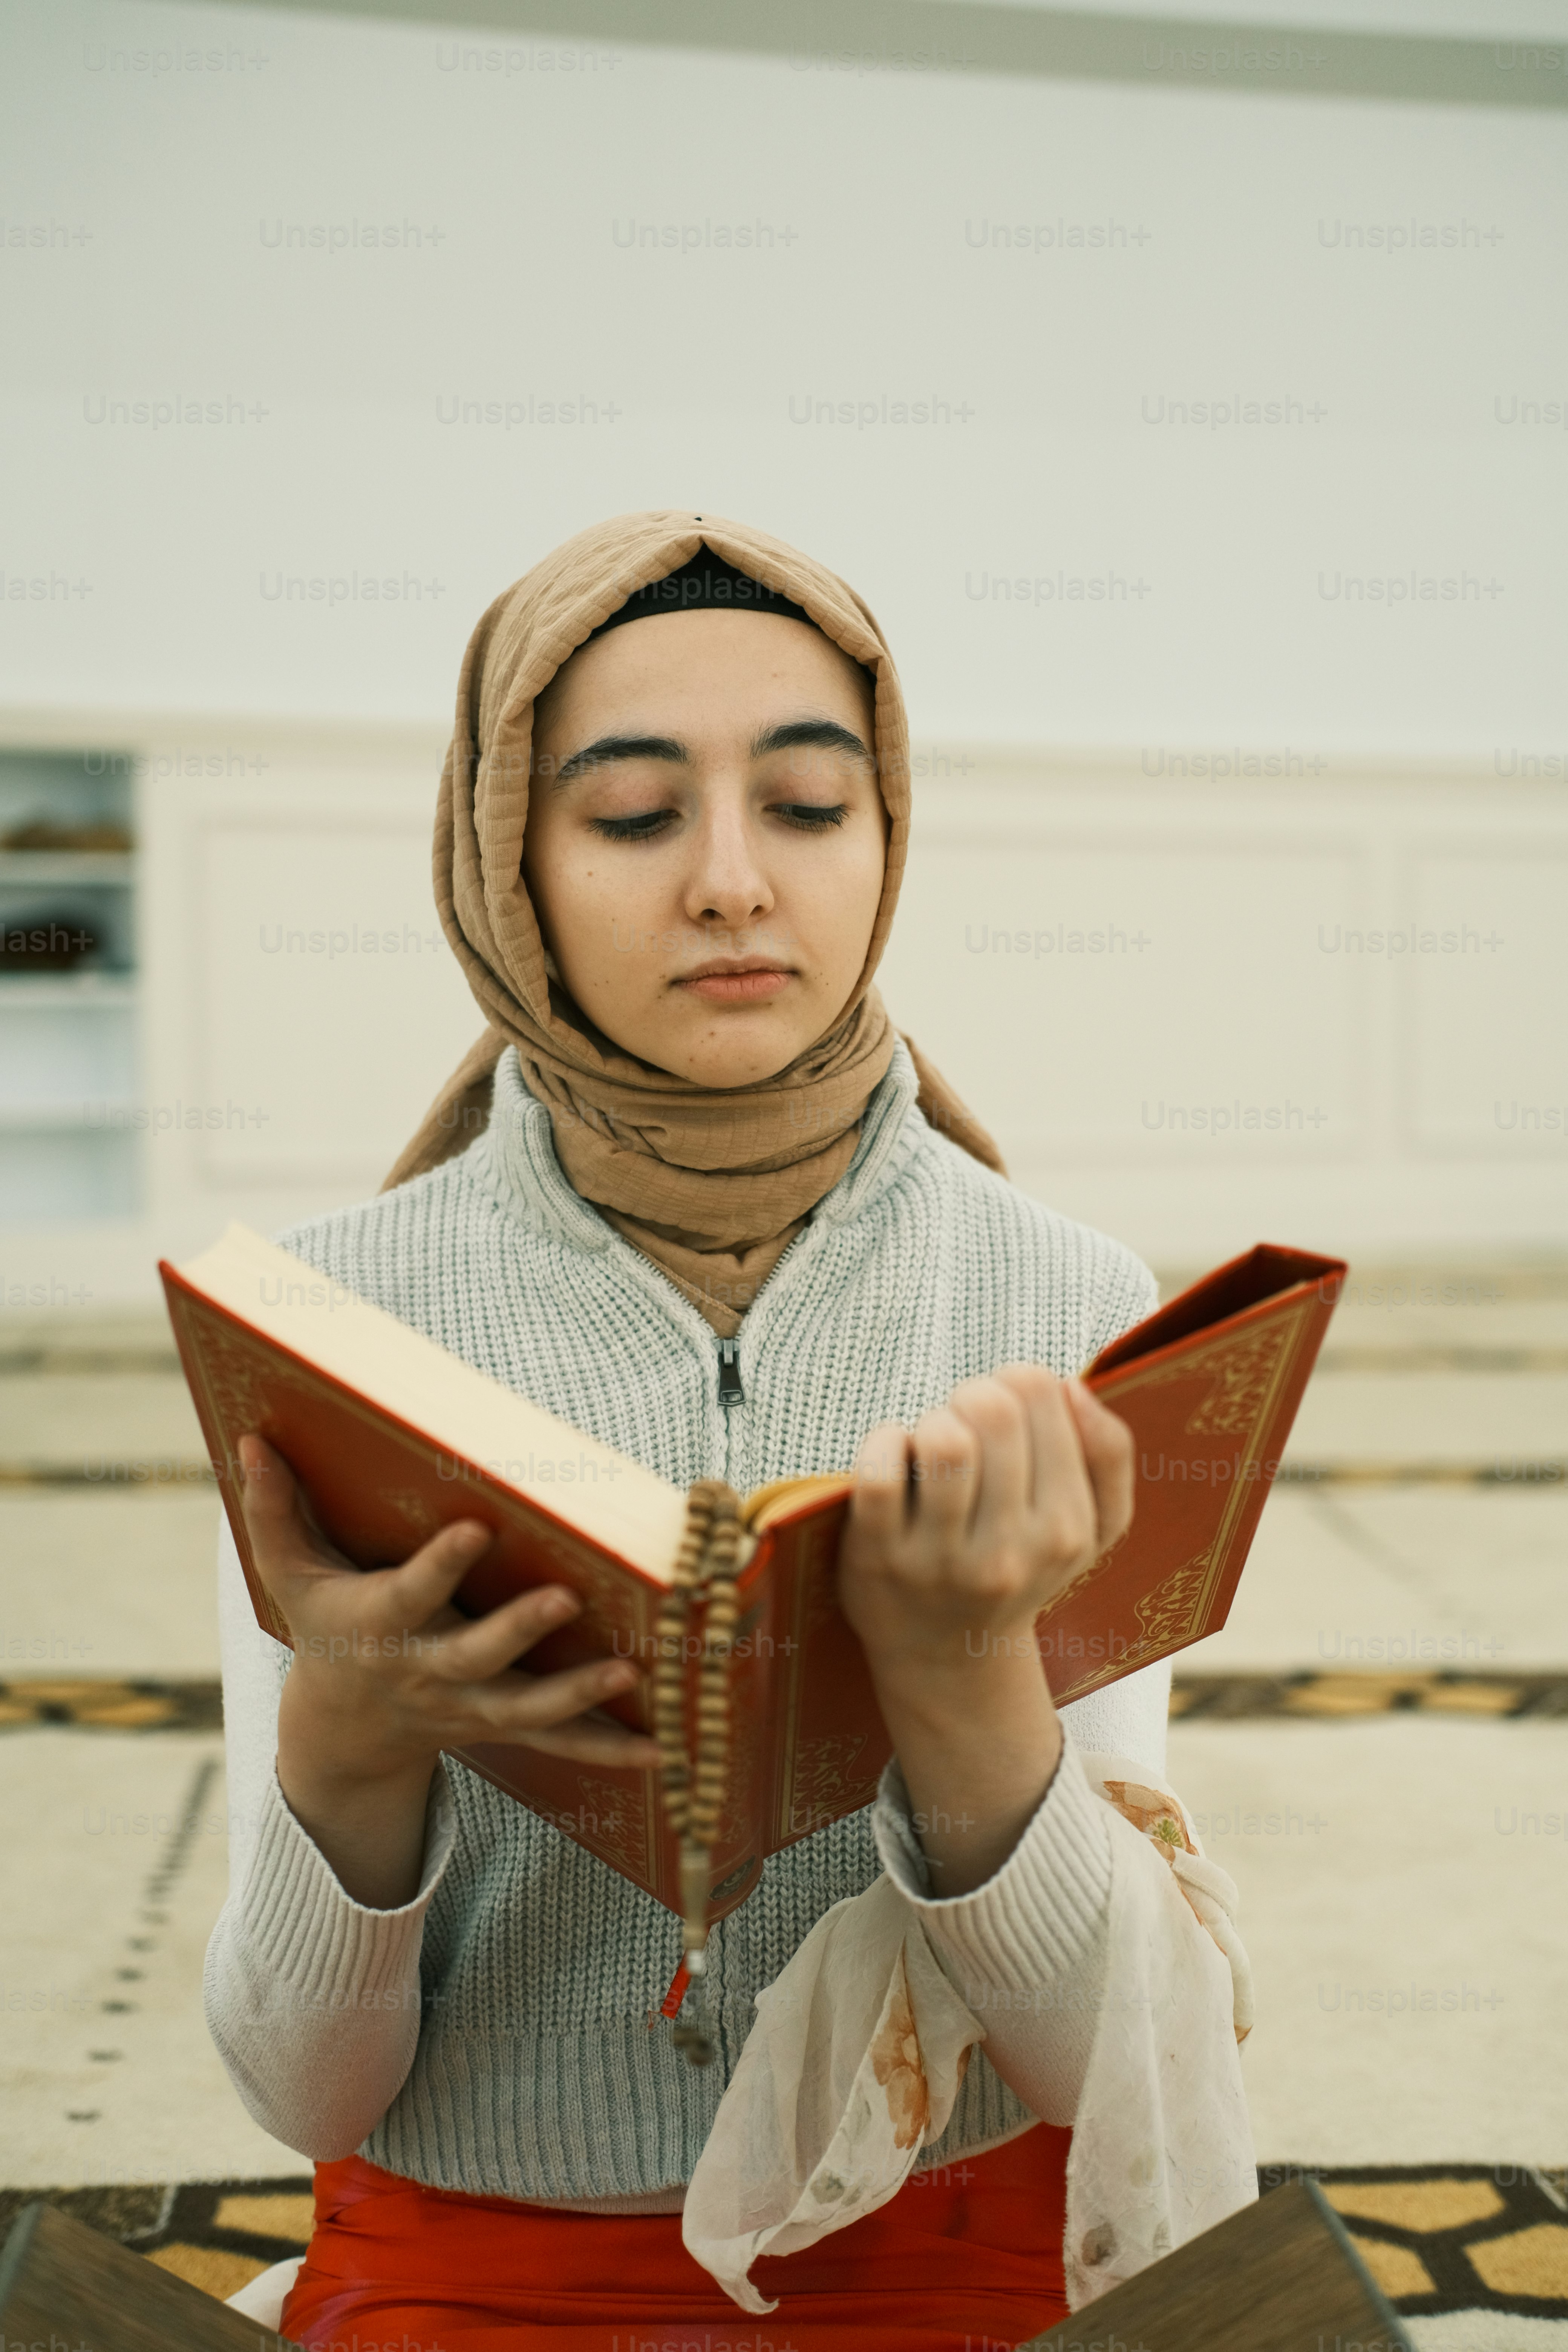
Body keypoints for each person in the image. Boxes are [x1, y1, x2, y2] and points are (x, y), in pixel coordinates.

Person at [207, 512, 1254, 2352]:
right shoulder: (325, 1322)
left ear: (886, 834)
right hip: (478, 2255)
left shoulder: (1059, 1302)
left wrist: (959, 1683)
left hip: (940, 2229)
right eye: (628, 817)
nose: (728, 883)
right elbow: (304, 2096)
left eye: (804, 804)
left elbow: (1106, 2067)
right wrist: (348, 1743)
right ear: (502, 856)